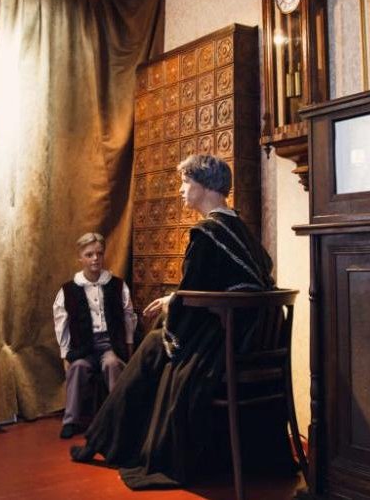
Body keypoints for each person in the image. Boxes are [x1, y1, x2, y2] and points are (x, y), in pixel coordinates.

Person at [70, 155, 292, 490]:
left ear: (205, 187)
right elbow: (230, 285)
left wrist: (173, 313)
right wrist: (177, 299)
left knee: (154, 344)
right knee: (160, 334)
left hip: (223, 347)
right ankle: (105, 437)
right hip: (252, 343)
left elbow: (195, 295)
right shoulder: (241, 230)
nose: (180, 190)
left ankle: (107, 440)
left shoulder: (206, 233)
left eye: (186, 182)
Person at [53, 232, 136, 439]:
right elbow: (61, 323)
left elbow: (128, 316)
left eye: (99, 253)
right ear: (80, 258)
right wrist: (65, 355)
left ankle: (118, 418)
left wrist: (129, 344)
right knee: (79, 367)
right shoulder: (68, 290)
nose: (95, 259)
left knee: (111, 365)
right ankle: (71, 420)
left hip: (110, 343)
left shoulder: (117, 285)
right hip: (84, 346)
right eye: (89, 255)